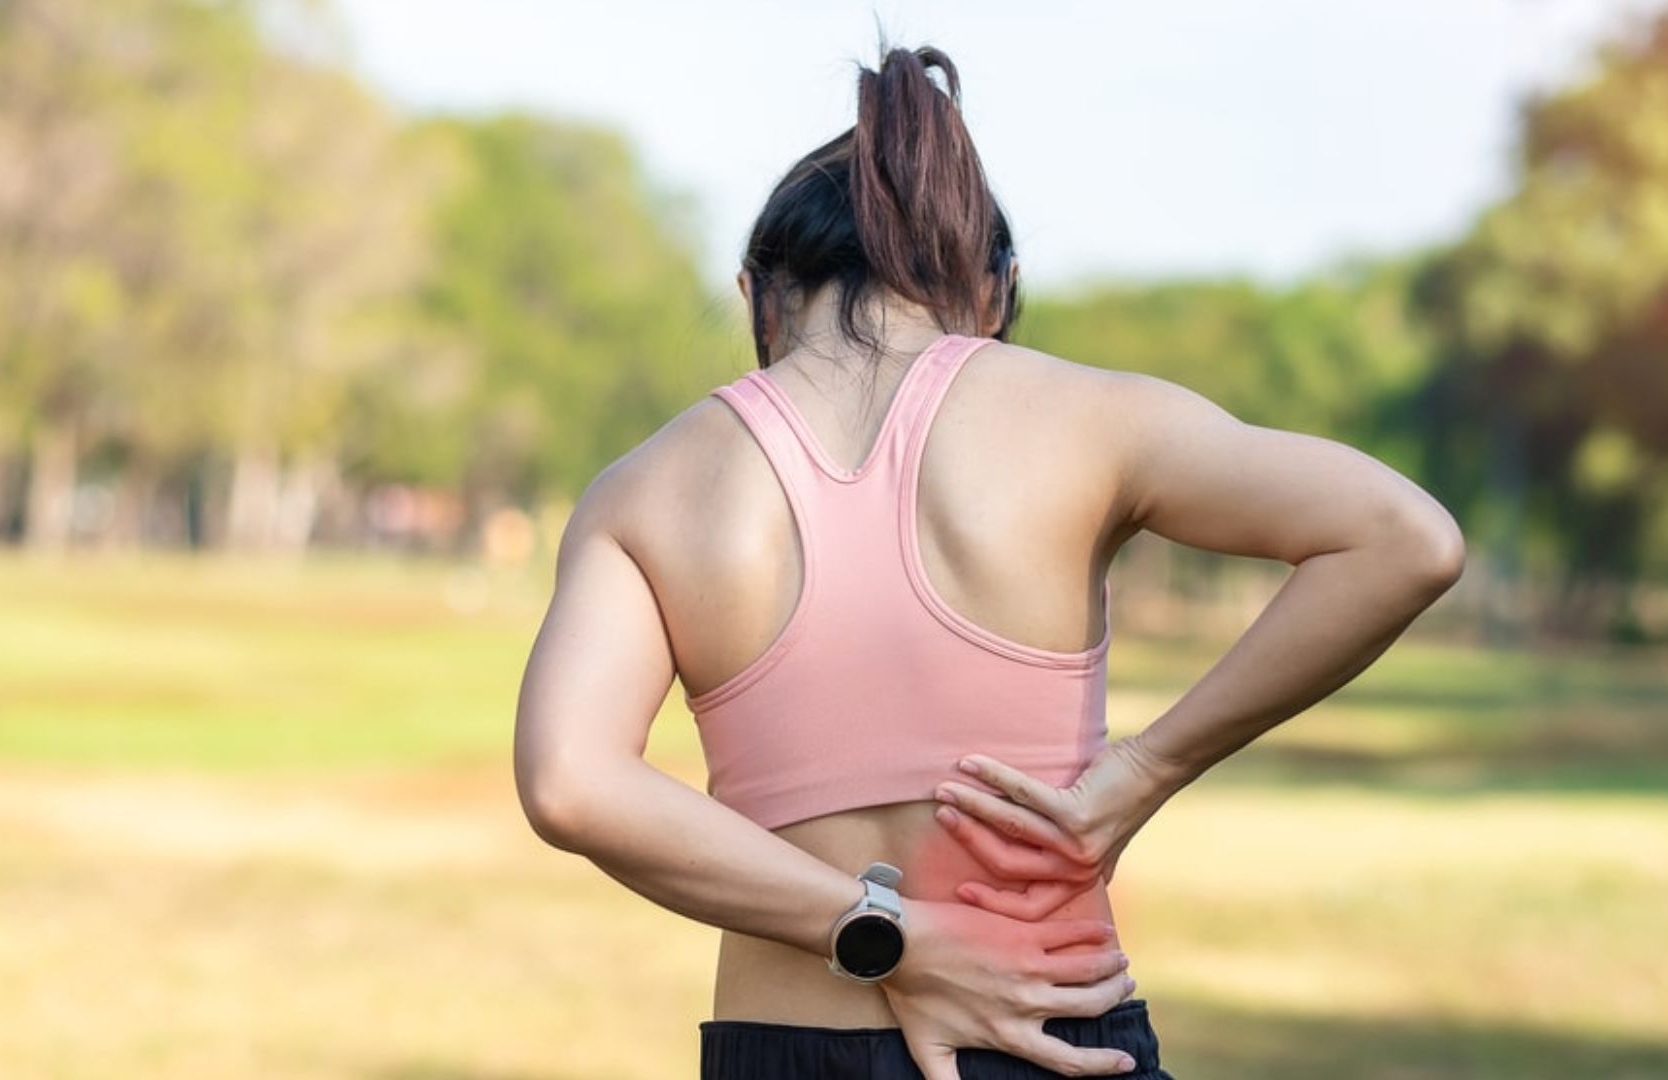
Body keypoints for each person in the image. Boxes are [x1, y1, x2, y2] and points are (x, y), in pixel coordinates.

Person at [512, 41, 1465, 1080]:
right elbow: (1405, 538)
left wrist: (877, 936)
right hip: (1046, 1038)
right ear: (996, 290)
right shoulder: (1090, 420)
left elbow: (572, 781)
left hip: (778, 1048)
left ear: (758, 295)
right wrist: (1146, 771)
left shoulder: (645, 487)